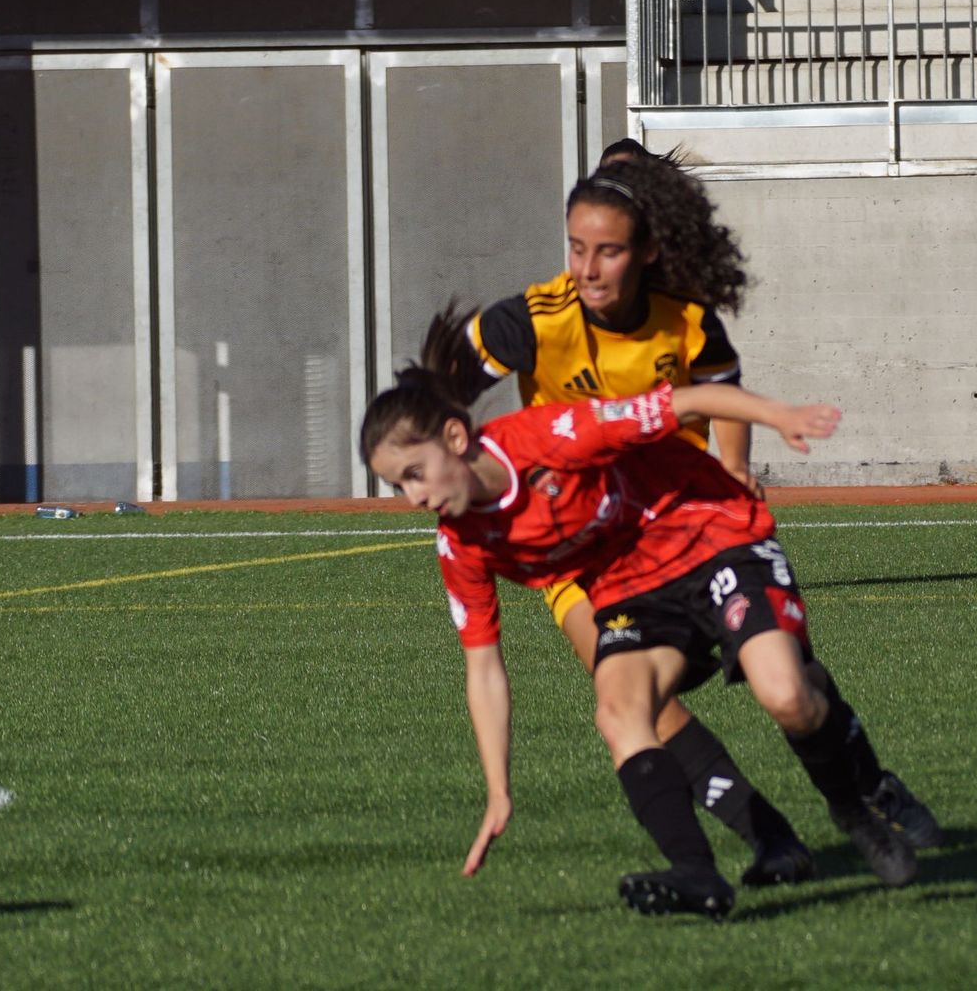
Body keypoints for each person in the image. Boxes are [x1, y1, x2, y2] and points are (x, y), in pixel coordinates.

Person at [361, 305, 924, 920]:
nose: (413, 497)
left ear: (455, 438)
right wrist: (497, 790)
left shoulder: (552, 436)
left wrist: (778, 415)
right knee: (619, 713)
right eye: (398, 486)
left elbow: (681, 403)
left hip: (707, 529)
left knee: (787, 695)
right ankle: (696, 872)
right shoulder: (460, 541)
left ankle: (848, 808)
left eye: (414, 475)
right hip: (630, 582)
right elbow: (484, 669)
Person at [459, 156, 943, 869]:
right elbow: (440, 403)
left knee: (790, 689)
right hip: (589, 554)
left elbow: (719, 391)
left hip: (692, 523)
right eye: (576, 247)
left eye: (608, 250)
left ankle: (867, 784)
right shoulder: (529, 322)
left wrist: (738, 467)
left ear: (648, 247)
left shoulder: (682, 318)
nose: (588, 269)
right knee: (628, 701)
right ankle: (766, 835)